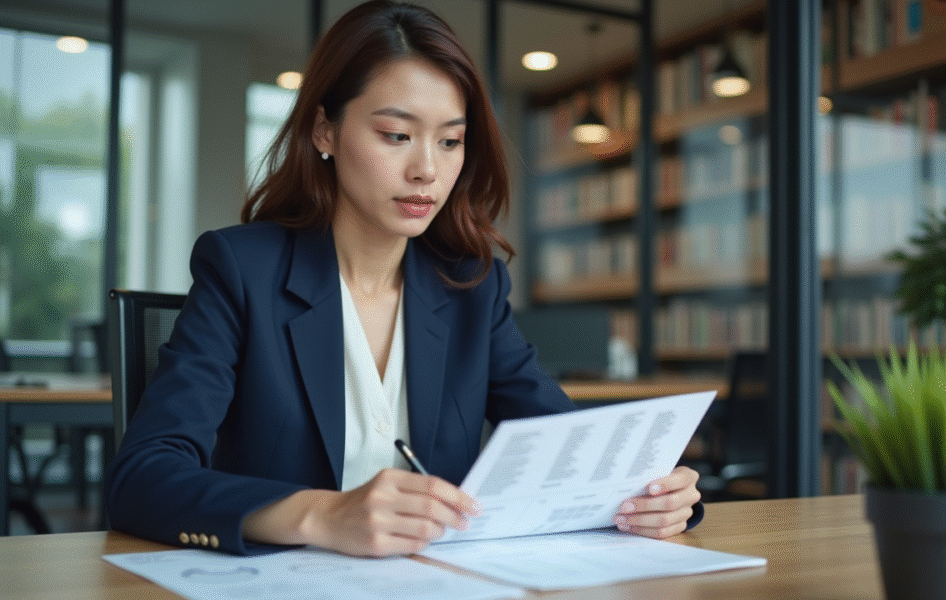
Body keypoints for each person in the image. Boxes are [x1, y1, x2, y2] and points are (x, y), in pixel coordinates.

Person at [104, 0, 703, 557]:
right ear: (324, 131)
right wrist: (321, 515)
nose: (426, 170)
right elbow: (144, 478)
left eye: (450, 141)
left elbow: (571, 450)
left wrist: (656, 498)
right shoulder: (243, 271)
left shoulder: (472, 288)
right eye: (396, 135)